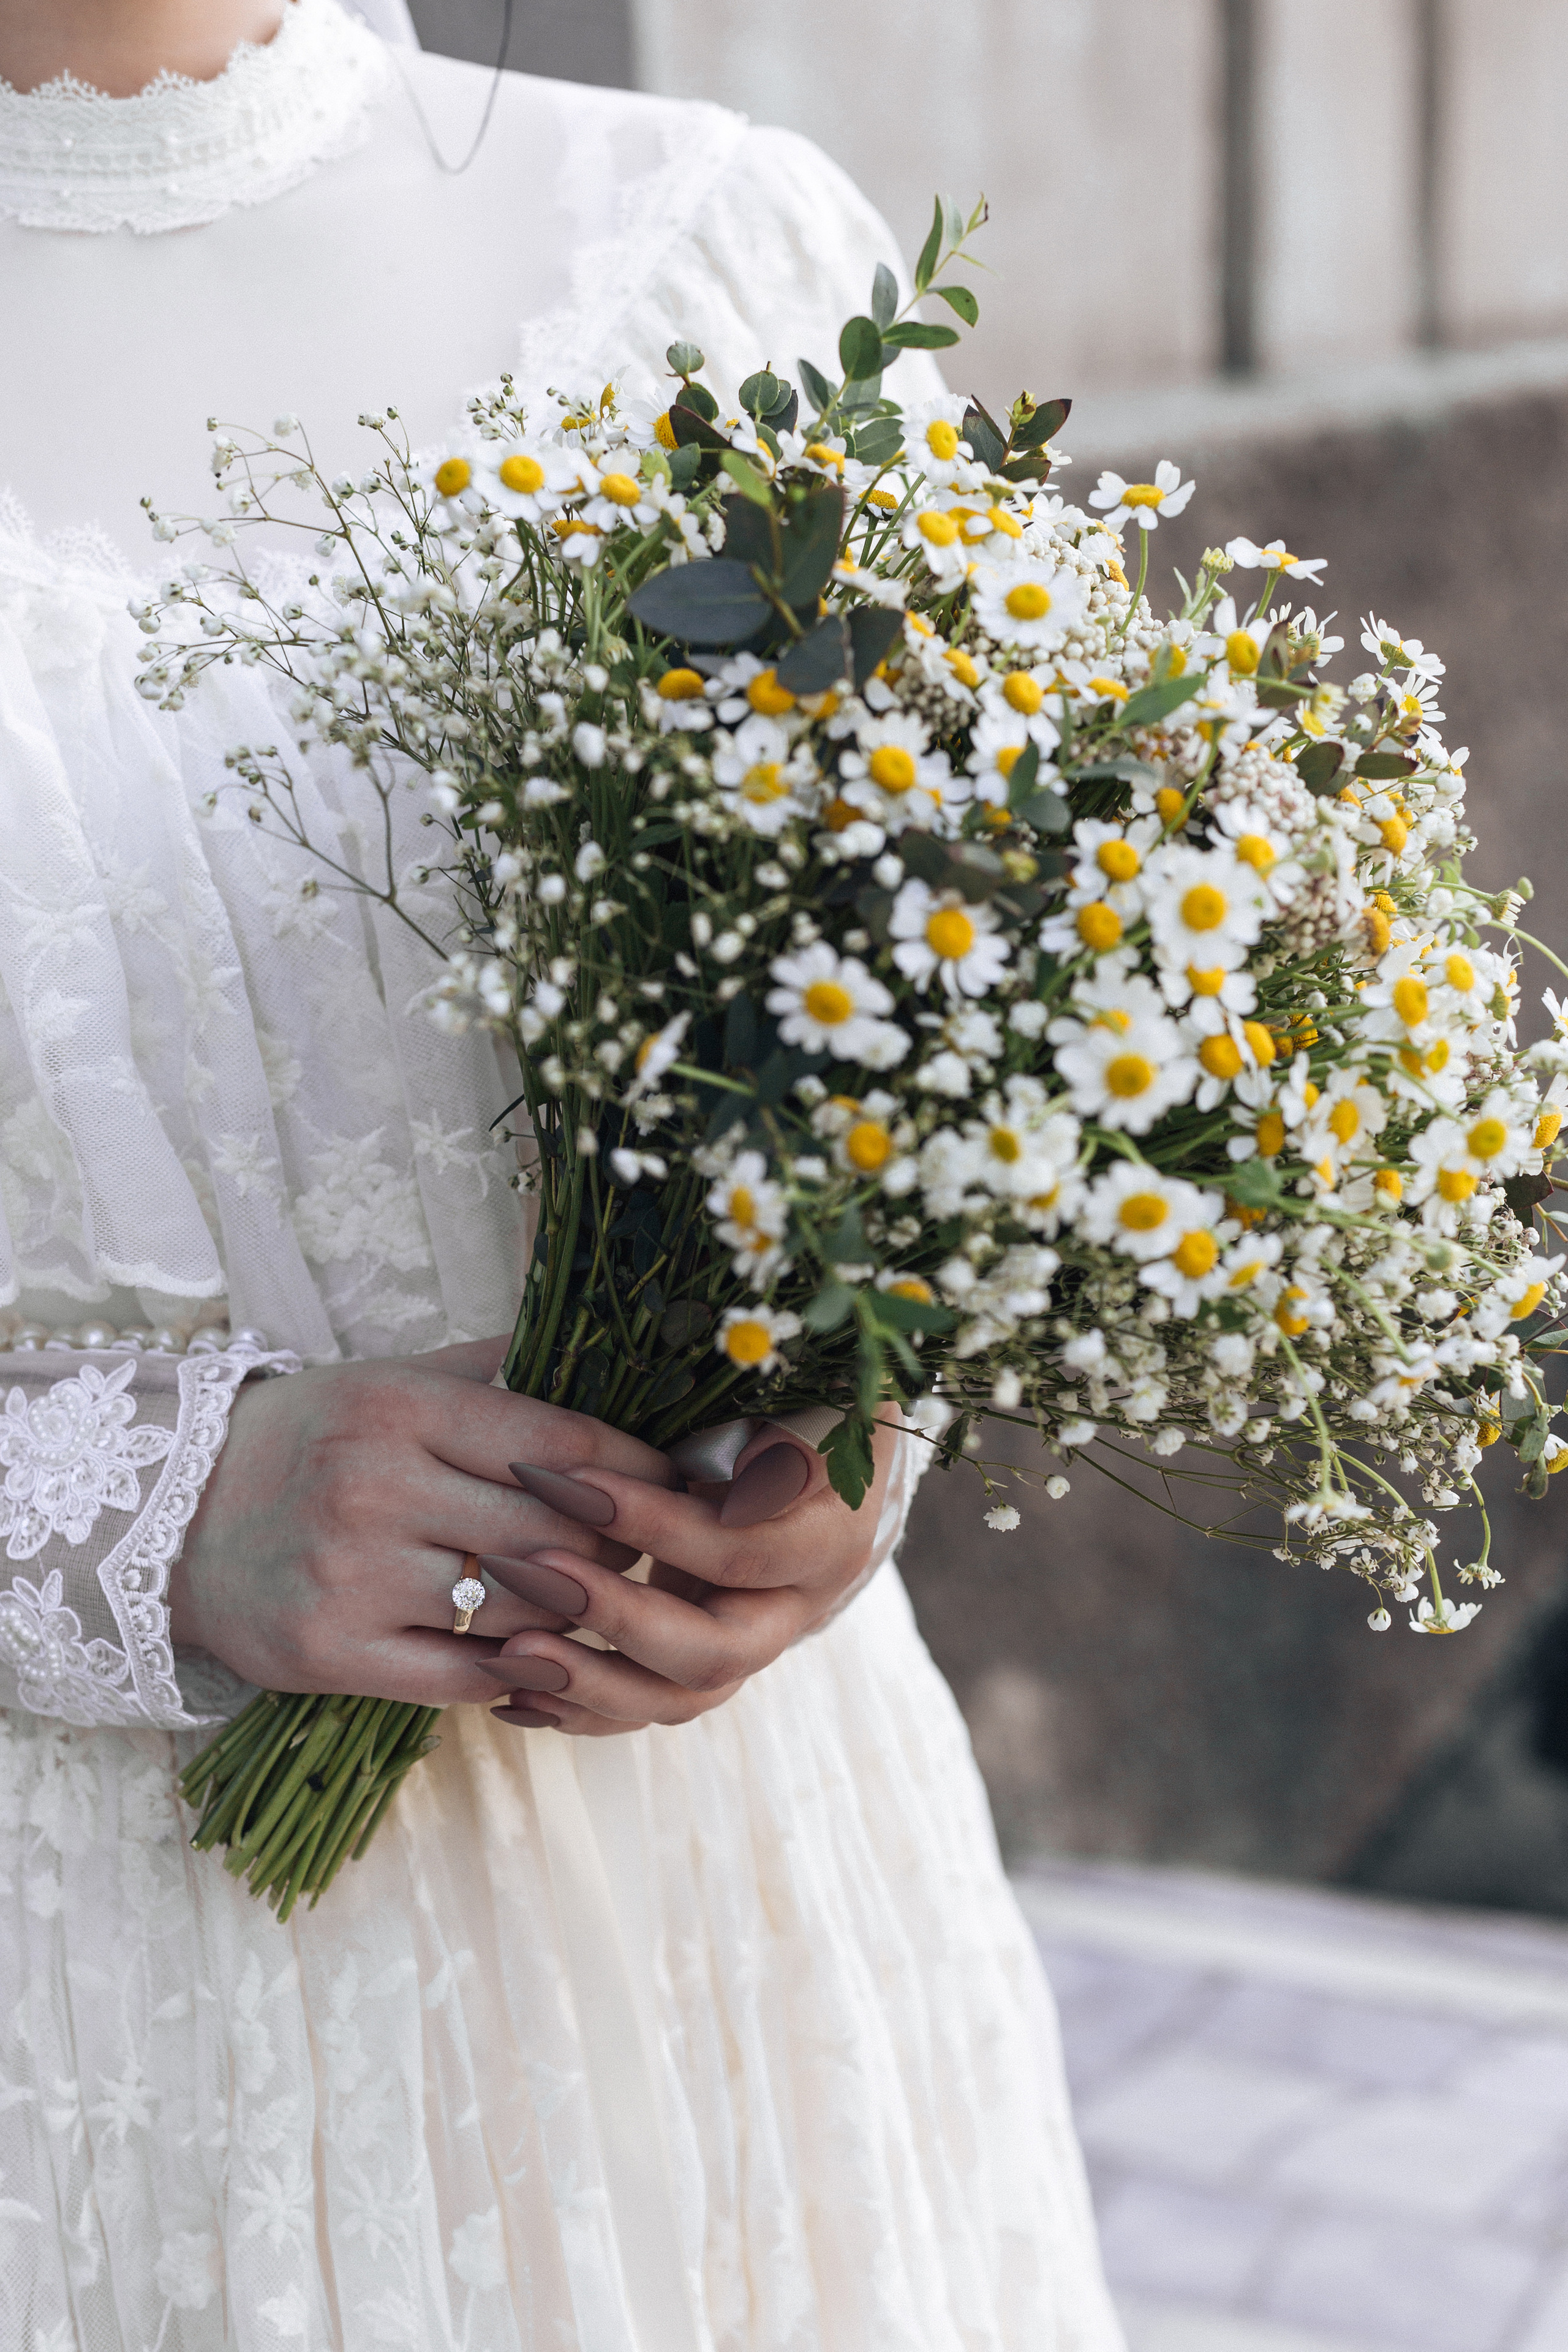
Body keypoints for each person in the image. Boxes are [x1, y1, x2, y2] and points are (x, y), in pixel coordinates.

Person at [0, 3, 1125, 2343]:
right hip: (78, 2028)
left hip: (723, 1940)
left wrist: (842, 1439)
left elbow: (965, 1047)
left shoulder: (718, 257)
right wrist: (135, 1516)